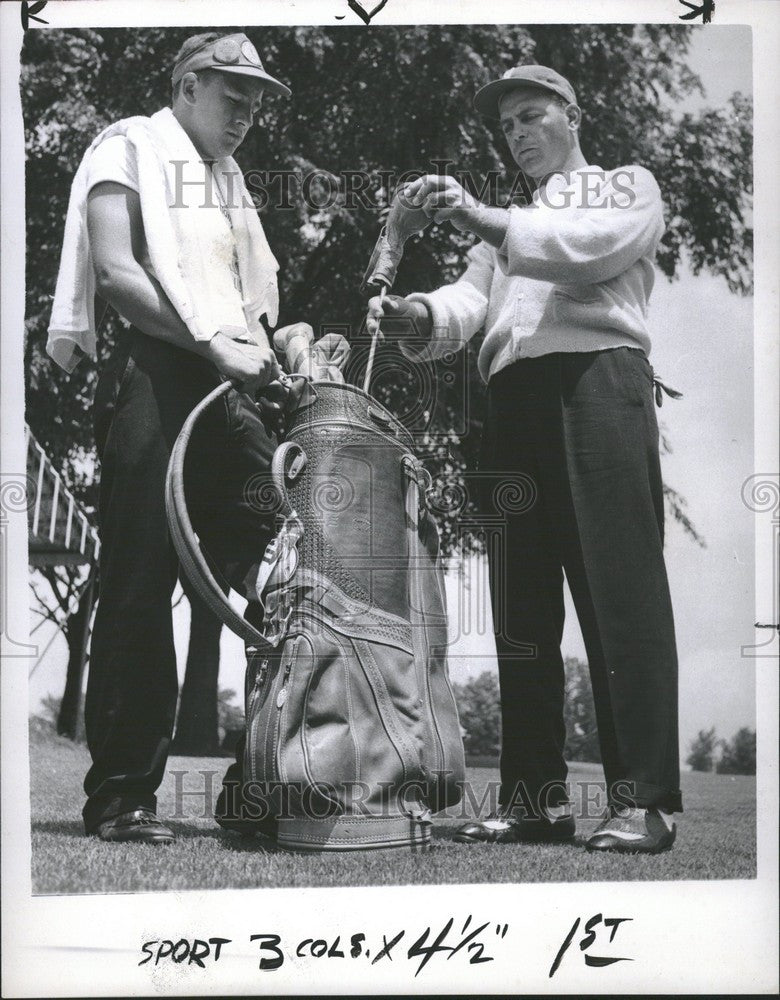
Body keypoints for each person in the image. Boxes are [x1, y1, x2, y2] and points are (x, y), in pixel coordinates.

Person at [368, 65, 682, 853]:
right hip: (512, 404)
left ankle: (644, 802)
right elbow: (469, 305)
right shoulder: (510, 225)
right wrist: (411, 314)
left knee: (622, 596)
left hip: (597, 385)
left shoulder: (623, 186)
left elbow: (587, 251)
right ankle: (535, 800)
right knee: (522, 617)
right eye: (507, 127)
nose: (518, 135)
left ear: (573, 115)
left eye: (532, 116)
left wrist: (476, 211)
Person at [47, 32, 295, 843]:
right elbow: (118, 273)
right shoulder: (126, 143)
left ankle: (263, 785)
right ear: (188, 85)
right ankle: (122, 797)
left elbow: (252, 303)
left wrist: (286, 344)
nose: (248, 114)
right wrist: (211, 343)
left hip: (232, 388)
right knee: (140, 578)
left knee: (288, 569)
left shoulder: (230, 186)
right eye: (235, 96)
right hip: (154, 374)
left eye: (258, 103)